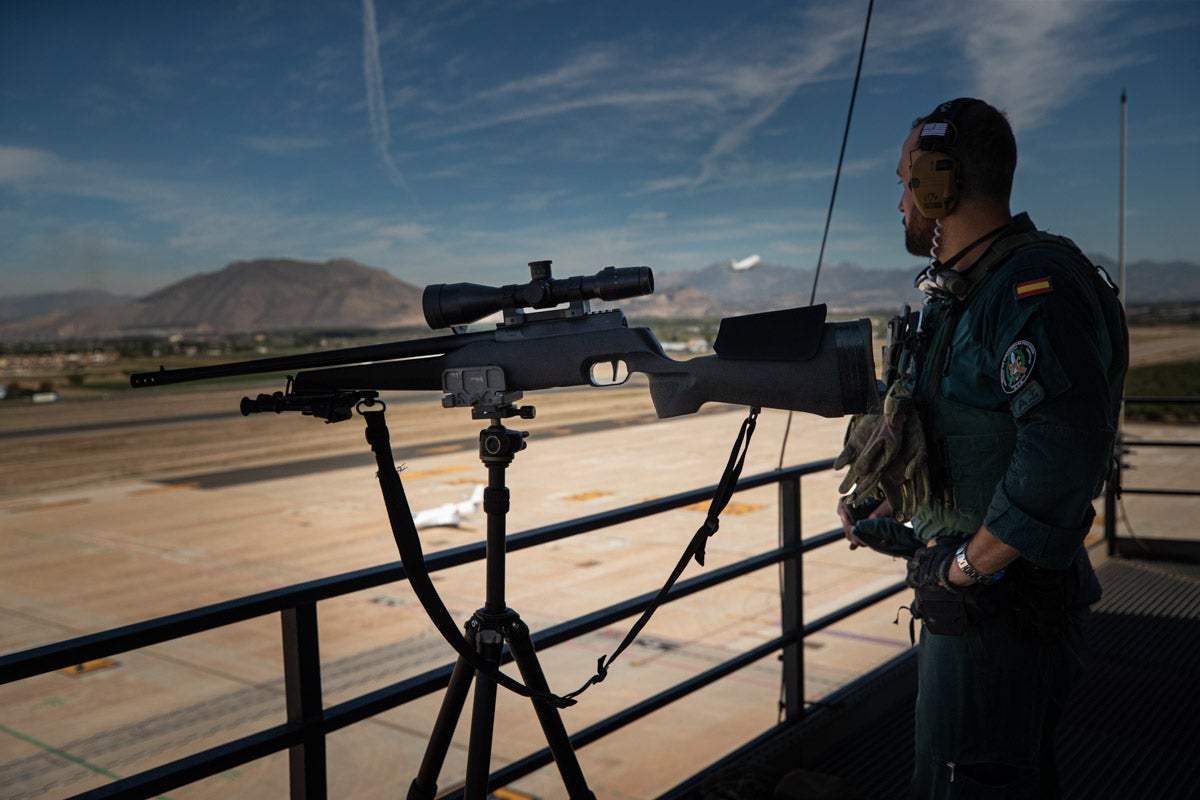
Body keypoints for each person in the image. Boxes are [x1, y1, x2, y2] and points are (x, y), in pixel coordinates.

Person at [834, 98, 1128, 798]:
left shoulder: (1033, 291)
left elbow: (1057, 459)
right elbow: (956, 425)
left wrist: (962, 568)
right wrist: (889, 496)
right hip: (975, 602)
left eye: (907, 180)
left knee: (961, 783)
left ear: (941, 182)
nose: (900, 201)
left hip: (1001, 614)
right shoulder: (966, 293)